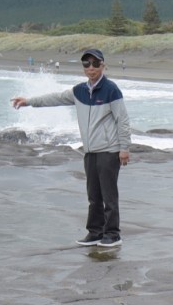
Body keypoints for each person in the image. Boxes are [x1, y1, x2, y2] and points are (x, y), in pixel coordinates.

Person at [11, 48, 132, 249]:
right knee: (94, 196)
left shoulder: (111, 90)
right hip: (90, 151)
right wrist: (29, 102)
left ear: (103, 66)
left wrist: (124, 148)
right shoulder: (79, 91)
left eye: (95, 64)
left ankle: (112, 234)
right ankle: (95, 232)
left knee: (108, 195)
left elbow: (123, 120)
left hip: (109, 150)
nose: (91, 68)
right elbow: (55, 98)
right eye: (87, 64)